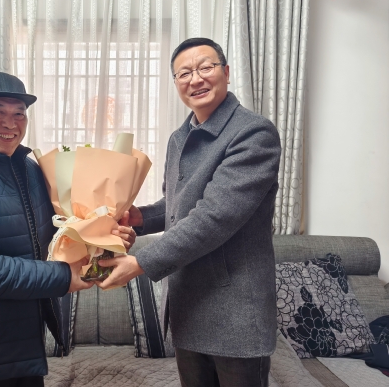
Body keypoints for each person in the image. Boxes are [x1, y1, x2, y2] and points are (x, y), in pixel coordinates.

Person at [0, 72, 135, 387]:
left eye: (19, 113)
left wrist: (107, 237)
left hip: (26, 347)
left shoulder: (30, 169)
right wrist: (64, 277)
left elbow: (63, 232)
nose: (10, 123)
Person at [97, 38, 282, 387]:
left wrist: (141, 262)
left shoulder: (254, 133)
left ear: (226, 72)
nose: (195, 79)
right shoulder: (179, 138)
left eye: (205, 67)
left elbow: (215, 216)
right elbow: (177, 204)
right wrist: (140, 217)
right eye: (184, 73)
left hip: (236, 312)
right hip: (188, 303)